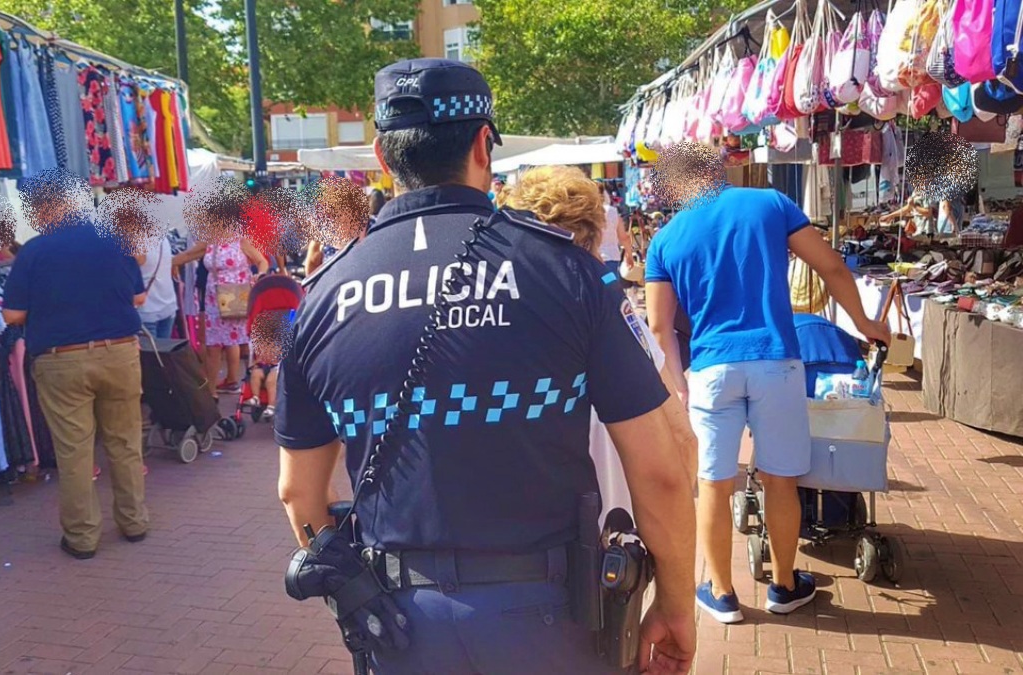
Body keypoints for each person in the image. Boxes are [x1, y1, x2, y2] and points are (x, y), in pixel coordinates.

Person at [276, 58, 696, 675]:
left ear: (382, 156)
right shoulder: (566, 272)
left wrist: (356, 597)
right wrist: (677, 603)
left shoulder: (322, 295)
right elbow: (659, 468)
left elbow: (298, 492)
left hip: (399, 623)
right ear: (482, 143)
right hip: (552, 618)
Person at [644, 165, 891, 625]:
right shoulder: (770, 204)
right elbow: (832, 266)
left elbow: (659, 328)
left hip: (711, 368)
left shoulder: (666, 237)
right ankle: (784, 584)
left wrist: (678, 386)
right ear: (720, 170)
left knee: (714, 482)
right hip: (775, 359)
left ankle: (721, 593)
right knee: (781, 478)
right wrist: (865, 324)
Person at [503, 165, 697, 519]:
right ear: (594, 229)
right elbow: (682, 439)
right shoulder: (622, 320)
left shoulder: (499, 327)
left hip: (537, 538)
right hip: (620, 536)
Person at [1, 171, 150, 560]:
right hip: (119, 352)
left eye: (32, 208)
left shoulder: (34, 251)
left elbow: (13, 315)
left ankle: (83, 538)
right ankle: (134, 523)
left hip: (61, 360)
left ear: (48, 206)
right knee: (124, 442)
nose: (31, 216)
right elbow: (138, 298)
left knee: (75, 452)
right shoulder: (115, 239)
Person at [179, 237, 267, 394]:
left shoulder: (241, 241)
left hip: (235, 294)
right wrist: (167, 262)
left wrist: (260, 275)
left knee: (232, 341)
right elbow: (187, 255)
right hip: (213, 297)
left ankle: (228, 382)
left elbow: (261, 261)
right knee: (213, 345)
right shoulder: (210, 241)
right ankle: (211, 391)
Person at [137, 234, 177, 338]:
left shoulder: (133, 243)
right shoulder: (163, 239)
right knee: (164, 352)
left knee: (150, 353)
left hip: (146, 310)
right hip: (168, 305)